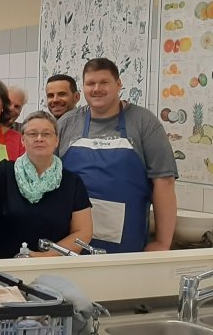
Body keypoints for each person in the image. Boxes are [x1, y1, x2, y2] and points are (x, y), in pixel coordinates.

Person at [58, 58, 177, 253]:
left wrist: (163, 242)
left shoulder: (143, 122)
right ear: (83, 87)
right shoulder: (67, 123)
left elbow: (164, 182)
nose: (97, 89)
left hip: (126, 242)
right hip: (71, 239)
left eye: (104, 82)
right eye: (90, 83)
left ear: (119, 84)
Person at [0, 111, 93, 258]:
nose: (39, 138)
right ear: (22, 140)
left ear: (56, 141)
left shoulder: (72, 182)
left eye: (46, 134)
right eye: (32, 134)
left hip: (54, 268)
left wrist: (44, 257)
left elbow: (83, 232)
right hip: (4, 269)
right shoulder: (5, 172)